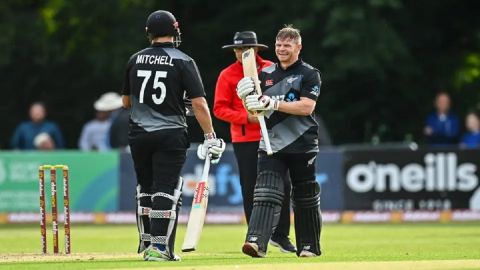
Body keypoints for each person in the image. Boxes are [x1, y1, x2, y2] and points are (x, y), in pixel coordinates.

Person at [121, 10, 225, 262]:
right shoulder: (183, 60)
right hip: (170, 134)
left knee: (145, 187)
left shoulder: (135, 59)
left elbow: (126, 102)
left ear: (149, 33)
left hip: (139, 134)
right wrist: (210, 135)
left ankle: (146, 241)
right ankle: (159, 248)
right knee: (166, 189)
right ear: (175, 31)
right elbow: (199, 104)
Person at [236, 26, 322, 258]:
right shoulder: (265, 74)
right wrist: (247, 100)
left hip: (302, 144)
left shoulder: (309, 73)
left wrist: (272, 104)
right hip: (271, 145)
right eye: (278, 45)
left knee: (305, 196)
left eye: (287, 45)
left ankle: (309, 246)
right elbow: (255, 115)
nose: (282, 49)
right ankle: (256, 242)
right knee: (265, 191)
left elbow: (306, 107)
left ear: (298, 47)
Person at [213, 31, 296, 253]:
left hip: (275, 135)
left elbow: (283, 98)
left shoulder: (271, 68)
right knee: (251, 188)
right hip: (245, 138)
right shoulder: (227, 75)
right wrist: (247, 118)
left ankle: (281, 235)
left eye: (246, 49)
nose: (241, 54)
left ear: (256, 49)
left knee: (283, 185)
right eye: (238, 50)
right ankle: (255, 237)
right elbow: (219, 109)